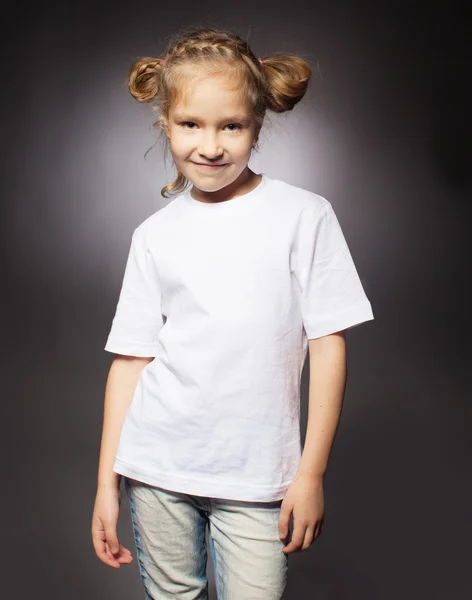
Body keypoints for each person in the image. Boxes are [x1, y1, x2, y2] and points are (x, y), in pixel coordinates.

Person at [91, 25, 374, 599]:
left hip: (257, 474)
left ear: (258, 125)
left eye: (232, 126)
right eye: (190, 124)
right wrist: (106, 483)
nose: (211, 145)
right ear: (164, 122)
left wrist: (311, 472)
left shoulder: (304, 216)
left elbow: (328, 344)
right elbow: (130, 362)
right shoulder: (154, 235)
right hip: (158, 467)